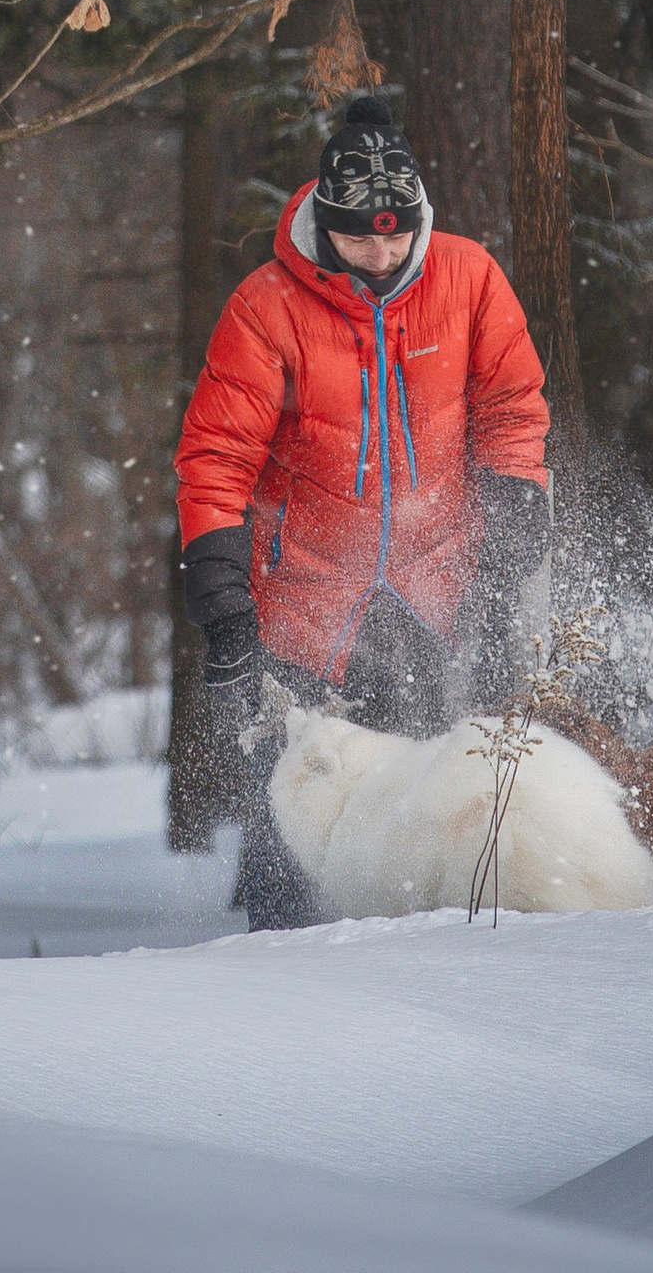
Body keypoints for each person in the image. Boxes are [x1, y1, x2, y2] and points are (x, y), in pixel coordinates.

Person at [174, 90, 551, 929]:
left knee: (414, 804)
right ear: (321, 223)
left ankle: (410, 974)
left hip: (432, 589)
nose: (381, 254)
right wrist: (224, 598)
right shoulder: (266, 305)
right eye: (358, 235)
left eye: (396, 232)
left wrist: (513, 527)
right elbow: (215, 459)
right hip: (302, 602)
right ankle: (277, 965)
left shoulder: (468, 278)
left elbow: (513, 409)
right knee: (292, 816)